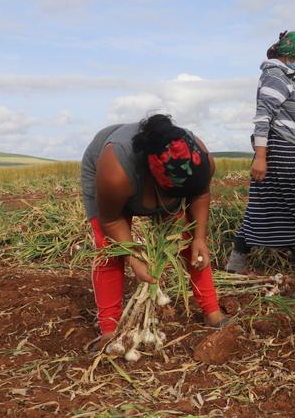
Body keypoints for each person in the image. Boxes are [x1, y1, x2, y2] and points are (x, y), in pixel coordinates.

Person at [80, 114, 228, 346]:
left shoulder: (199, 157)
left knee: (188, 243)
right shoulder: (116, 172)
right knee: (109, 251)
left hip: (157, 184)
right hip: (110, 178)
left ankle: (212, 312)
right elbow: (110, 220)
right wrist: (133, 257)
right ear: (157, 184)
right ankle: (110, 329)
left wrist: (199, 237)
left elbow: (200, 194)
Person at [224, 31, 295, 273]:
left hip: (278, 148)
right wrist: (260, 157)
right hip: (280, 150)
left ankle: (236, 265)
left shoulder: (282, 76)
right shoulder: (276, 76)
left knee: (263, 207)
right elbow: (263, 117)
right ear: (288, 55)